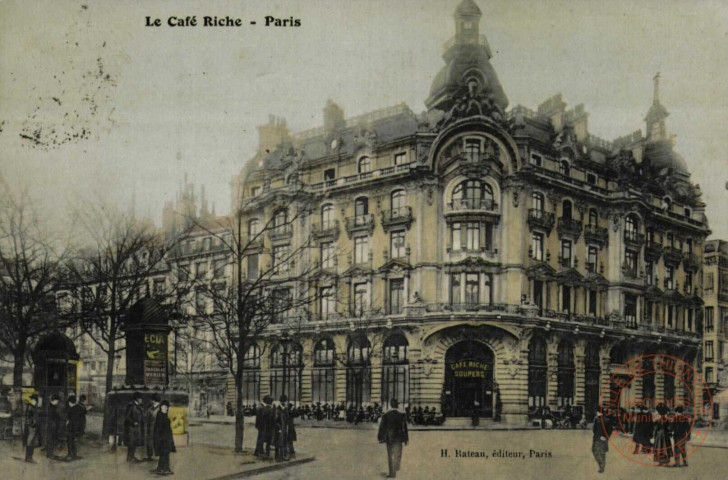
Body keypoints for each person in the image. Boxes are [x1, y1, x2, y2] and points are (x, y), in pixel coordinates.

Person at [377, 398, 409, 478]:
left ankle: (392, 472)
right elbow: (404, 428)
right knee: (398, 453)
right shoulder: (401, 415)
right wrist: (406, 439)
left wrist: (380, 437)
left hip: (389, 438)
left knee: (390, 454)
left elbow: (382, 427)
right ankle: (396, 468)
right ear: (397, 405)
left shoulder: (386, 415)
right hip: (399, 437)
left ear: (391, 405)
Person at [153, 400, 176, 475]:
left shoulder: (163, 415)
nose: (166, 408)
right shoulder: (161, 416)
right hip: (163, 439)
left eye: (167, 407)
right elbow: (158, 429)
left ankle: (160, 469)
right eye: (165, 407)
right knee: (165, 455)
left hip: (165, 439)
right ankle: (165, 469)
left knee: (164, 455)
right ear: (161, 407)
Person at [124, 391, 144, 462]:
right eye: (140, 398)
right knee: (131, 443)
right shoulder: (131, 406)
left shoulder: (138, 407)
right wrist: (133, 422)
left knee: (134, 443)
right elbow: (127, 416)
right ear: (137, 399)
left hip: (136, 428)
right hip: (131, 428)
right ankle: (129, 457)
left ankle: (132, 456)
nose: (141, 400)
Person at [23, 393, 43, 463]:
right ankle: (29, 458)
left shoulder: (32, 406)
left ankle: (29, 457)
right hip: (32, 427)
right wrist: (32, 424)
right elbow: (29, 417)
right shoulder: (31, 407)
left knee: (31, 441)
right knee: (30, 441)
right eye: (36, 400)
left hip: (32, 426)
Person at [65, 395, 83, 460]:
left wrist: (67, 422)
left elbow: (70, 419)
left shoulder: (71, 409)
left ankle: (70, 454)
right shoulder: (79, 408)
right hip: (77, 428)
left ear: (70, 402)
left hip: (71, 427)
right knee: (73, 441)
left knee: (69, 441)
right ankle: (74, 454)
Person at [145, 394, 162, 461]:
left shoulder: (160, 409)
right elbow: (147, 418)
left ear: (153, 401)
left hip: (158, 428)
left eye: (151, 400)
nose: (150, 401)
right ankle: (149, 455)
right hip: (151, 428)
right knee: (150, 442)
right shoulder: (150, 409)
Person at [274, 395, 290, 462]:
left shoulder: (285, 409)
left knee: (284, 443)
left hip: (284, 429)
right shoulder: (277, 410)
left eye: (285, 401)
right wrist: (279, 429)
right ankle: (278, 457)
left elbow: (287, 419)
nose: (284, 402)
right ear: (280, 401)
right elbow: (275, 421)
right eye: (283, 401)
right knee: (278, 443)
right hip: (279, 429)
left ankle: (284, 456)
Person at [47, 394, 63, 459]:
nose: (57, 402)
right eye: (57, 401)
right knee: (50, 440)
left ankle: (50, 453)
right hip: (52, 425)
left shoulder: (52, 406)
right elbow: (52, 417)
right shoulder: (51, 407)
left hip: (53, 425)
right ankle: (50, 454)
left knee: (52, 440)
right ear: (55, 400)